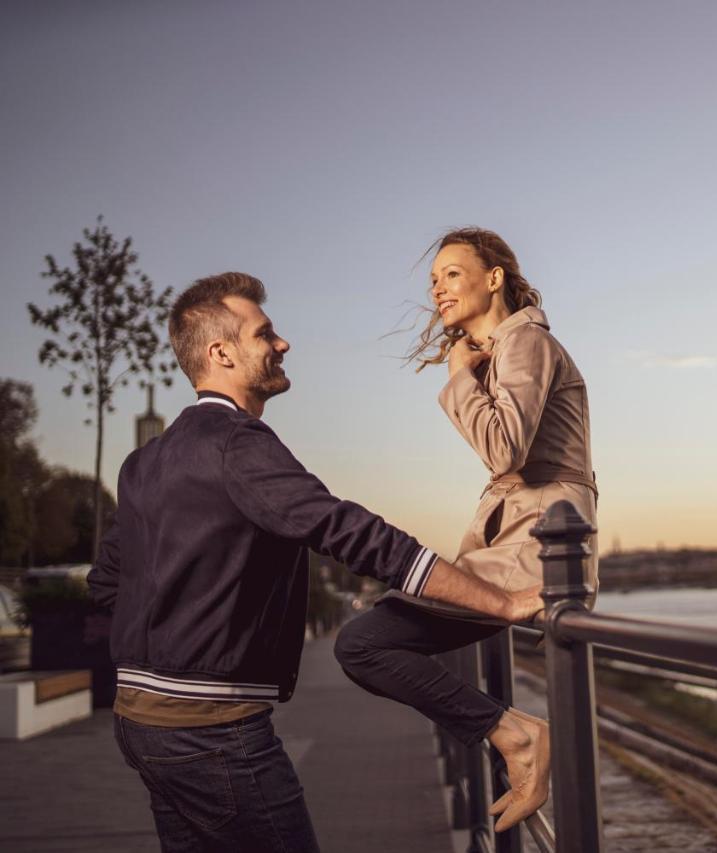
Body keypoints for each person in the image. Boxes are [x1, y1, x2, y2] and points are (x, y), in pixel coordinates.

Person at [88, 272, 546, 852]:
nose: (282, 344)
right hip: (211, 734)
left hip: (139, 725)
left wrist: (190, 611)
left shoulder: (143, 463)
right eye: (266, 333)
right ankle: (512, 731)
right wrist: (503, 602)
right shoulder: (238, 445)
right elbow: (353, 534)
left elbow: (107, 585)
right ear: (221, 352)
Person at [334, 227, 598, 833]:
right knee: (370, 638)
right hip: (517, 547)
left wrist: (456, 374)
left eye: (452, 273)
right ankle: (512, 730)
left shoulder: (526, 341)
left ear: (494, 277)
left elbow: (504, 449)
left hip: (533, 552)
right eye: (434, 280)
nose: (438, 288)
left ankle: (516, 734)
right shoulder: (508, 350)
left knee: (364, 643)